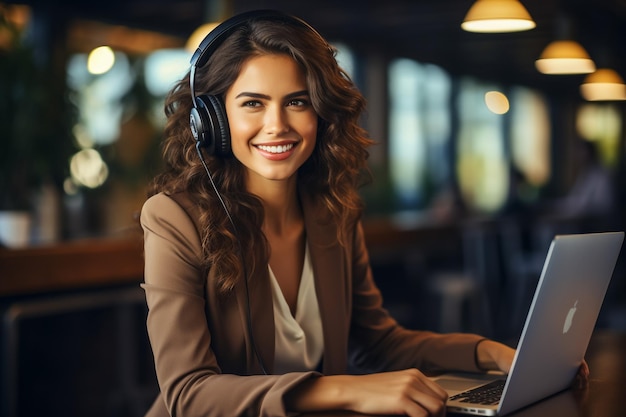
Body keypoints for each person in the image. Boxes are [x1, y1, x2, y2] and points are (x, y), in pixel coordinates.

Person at [140, 10, 586, 417]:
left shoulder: (332, 211)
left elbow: (378, 345)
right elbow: (187, 392)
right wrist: (347, 391)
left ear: (321, 112)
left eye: (297, 101)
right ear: (212, 121)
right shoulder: (173, 219)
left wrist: (489, 353)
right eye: (253, 103)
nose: (277, 125)